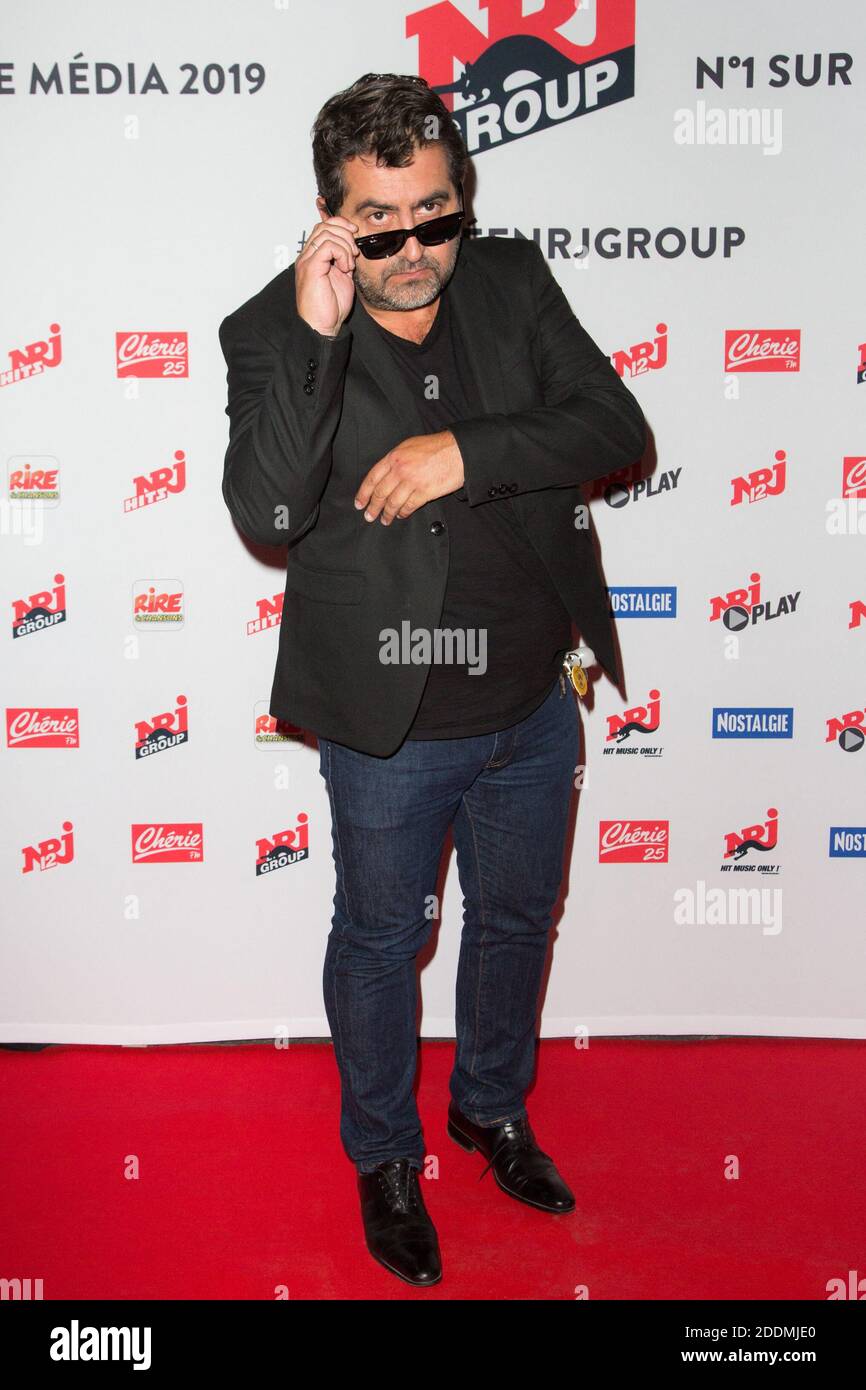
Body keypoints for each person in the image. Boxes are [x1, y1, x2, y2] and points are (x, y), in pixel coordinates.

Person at [219, 72, 646, 1288]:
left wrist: (463, 448)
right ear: (330, 215)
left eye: (435, 216)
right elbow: (267, 506)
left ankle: (489, 1110)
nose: (413, 250)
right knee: (376, 940)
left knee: (516, 921)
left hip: (527, 700)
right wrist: (314, 330)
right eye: (380, 223)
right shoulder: (269, 327)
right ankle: (385, 1157)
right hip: (388, 723)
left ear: (463, 199)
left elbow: (613, 425)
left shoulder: (507, 280)